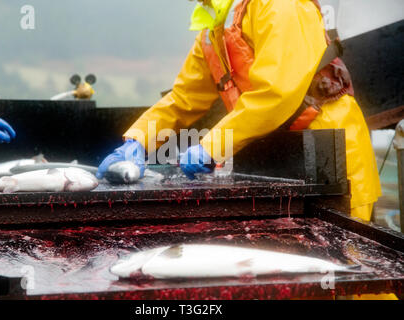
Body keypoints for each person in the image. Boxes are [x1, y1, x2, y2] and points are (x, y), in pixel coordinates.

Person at [97, 0, 393, 299]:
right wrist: (137, 141)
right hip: (279, 164)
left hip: (330, 154)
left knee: (354, 278)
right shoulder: (214, 25)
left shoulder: (279, 5)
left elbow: (277, 94)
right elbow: (183, 99)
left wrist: (211, 147)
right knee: (300, 282)